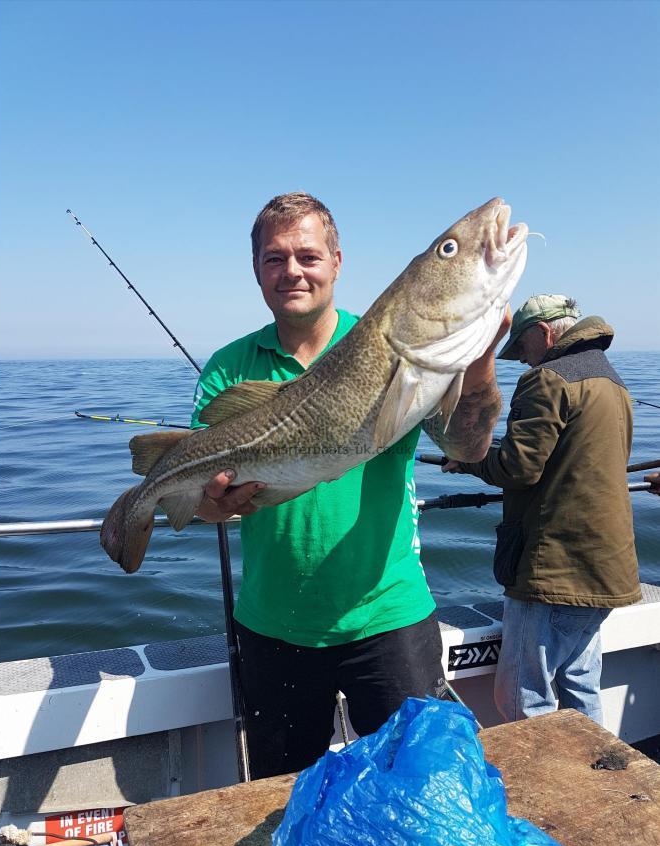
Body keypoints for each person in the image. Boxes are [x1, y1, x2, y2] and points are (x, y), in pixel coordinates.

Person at [191, 192, 510, 779]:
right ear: (257, 270)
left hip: (388, 618)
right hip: (273, 624)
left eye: (308, 256)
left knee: (417, 792)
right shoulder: (228, 368)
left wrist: (482, 353)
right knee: (281, 796)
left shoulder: (402, 349)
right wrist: (213, 503)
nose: (293, 271)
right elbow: (209, 507)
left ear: (337, 261)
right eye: (275, 258)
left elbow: (468, 447)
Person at [444, 294, 641, 725]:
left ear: (544, 333)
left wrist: (472, 458)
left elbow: (518, 466)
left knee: (522, 698)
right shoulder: (612, 381)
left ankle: (545, 791)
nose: (522, 362)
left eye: (522, 350)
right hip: (606, 567)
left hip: (555, 570)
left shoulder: (548, 380)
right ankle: (595, 783)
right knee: (580, 684)